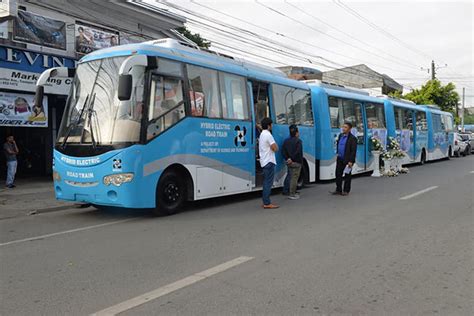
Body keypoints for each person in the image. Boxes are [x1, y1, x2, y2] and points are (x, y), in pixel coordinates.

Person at [331, 122, 357, 196]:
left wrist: (351, 161)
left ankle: (346, 190)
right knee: (338, 174)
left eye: (345, 127)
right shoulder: (340, 136)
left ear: (349, 129)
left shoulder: (353, 139)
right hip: (340, 158)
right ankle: (338, 189)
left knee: (347, 176)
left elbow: (353, 151)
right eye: (343, 127)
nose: (343, 128)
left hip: (347, 160)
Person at [259, 117, 279, 209]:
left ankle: (265, 202)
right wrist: (276, 147)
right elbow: (275, 148)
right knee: (268, 183)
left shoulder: (262, 134)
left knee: (266, 182)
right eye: (271, 124)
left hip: (264, 161)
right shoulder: (268, 135)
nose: (272, 126)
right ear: (268, 125)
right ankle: (267, 203)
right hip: (269, 161)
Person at [282, 124, 303, 200]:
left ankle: (285, 189)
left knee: (289, 175)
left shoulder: (286, 141)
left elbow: (283, 152)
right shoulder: (299, 141)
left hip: (289, 162)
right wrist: (292, 159)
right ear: (297, 133)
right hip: (296, 162)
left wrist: (288, 159)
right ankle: (292, 194)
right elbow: (298, 152)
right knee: (294, 178)